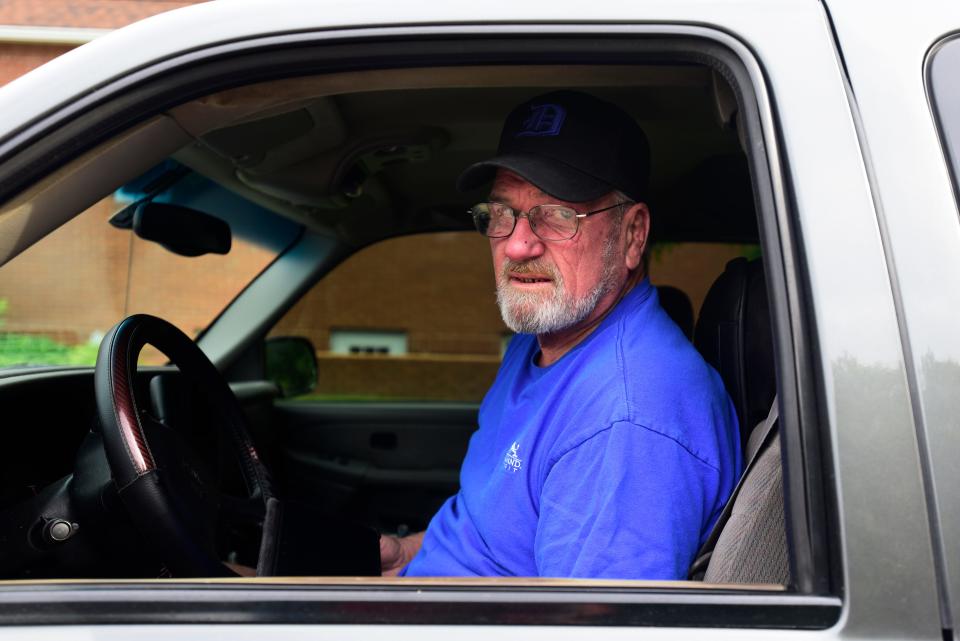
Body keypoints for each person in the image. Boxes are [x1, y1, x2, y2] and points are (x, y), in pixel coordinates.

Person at [380, 90, 742, 579]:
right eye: (502, 214)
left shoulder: (626, 419)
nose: (517, 244)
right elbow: (499, 530)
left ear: (633, 235)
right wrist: (406, 556)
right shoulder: (541, 342)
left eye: (557, 216)